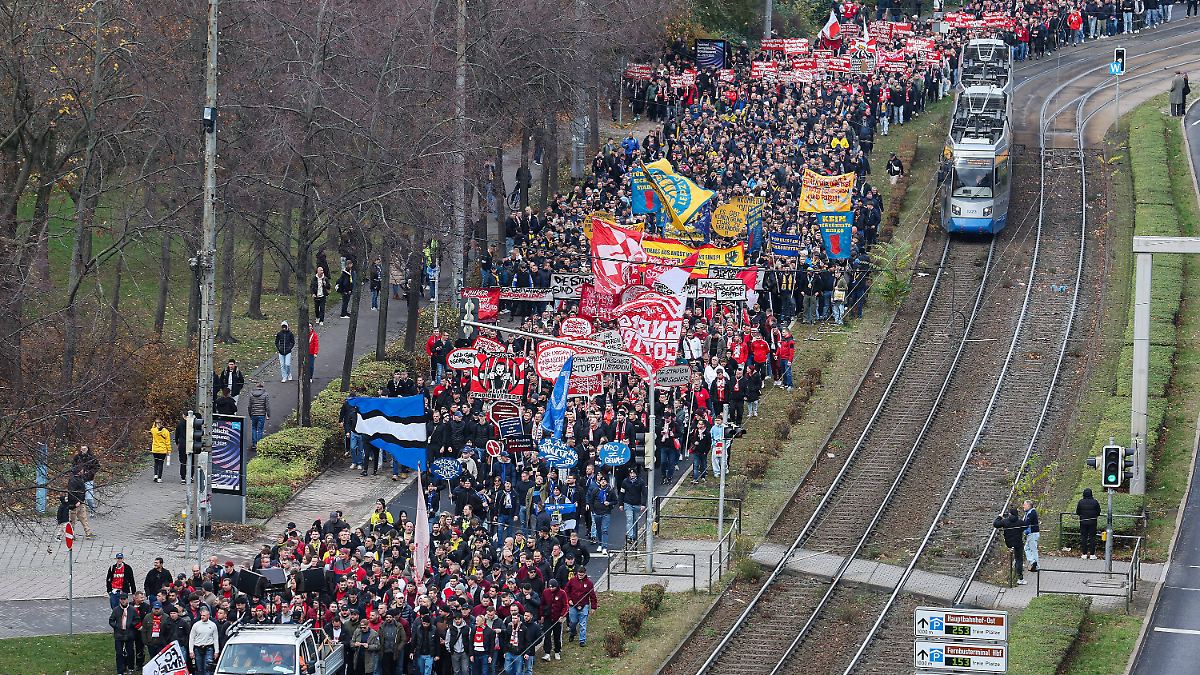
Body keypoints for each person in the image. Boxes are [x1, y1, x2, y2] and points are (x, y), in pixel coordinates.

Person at [992, 507, 1027, 585]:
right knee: (1019, 559)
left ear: (1010, 514)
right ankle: (1020, 578)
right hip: (1018, 543)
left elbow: (995, 524)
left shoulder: (1005, 521)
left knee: (1015, 558)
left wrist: (999, 517)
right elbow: (1026, 526)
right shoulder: (1020, 522)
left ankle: (1014, 572)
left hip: (1009, 543)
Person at [565, 568, 597, 647]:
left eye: (582, 575)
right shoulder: (572, 581)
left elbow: (592, 595)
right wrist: (569, 600)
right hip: (573, 605)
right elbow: (566, 591)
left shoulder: (589, 583)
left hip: (584, 605)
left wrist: (593, 607)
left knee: (583, 623)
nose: (580, 576)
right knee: (573, 622)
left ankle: (582, 640)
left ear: (585, 574)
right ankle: (573, 632)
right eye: (579, 575)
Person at [110, 592, 137, 675]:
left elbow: (137, 619)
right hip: (119, 634)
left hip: (129, 634)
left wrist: (131, 624)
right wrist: (116, 626)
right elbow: (111, 620)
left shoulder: (132, 609)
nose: (123, 601)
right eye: (121, 599)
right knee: (119, 653)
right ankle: (120, 670)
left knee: (130, 652)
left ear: (127, 599)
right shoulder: (116, 610)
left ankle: (131, 667)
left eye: (124, 599)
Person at [619, 468, 646, 546]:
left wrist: (643, 504)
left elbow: (644, 493)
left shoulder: (641, 482)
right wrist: (621, 504)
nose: (632, 475)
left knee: (635, 520)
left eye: (634, 473)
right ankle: (630, 536)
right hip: (628, 503)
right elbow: (622, 493)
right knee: (629, 519)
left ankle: (634, 536)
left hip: (637, 504)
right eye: (631, 474)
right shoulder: (625, 482)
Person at [189, 606, 220, 675]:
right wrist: (191, 651)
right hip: (197, 648)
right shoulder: (196, 625)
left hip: (208, 648)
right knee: (199, 669)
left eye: (204, 615)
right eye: (201, 615)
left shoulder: (213, 625)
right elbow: (191, 638)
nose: (202, 617)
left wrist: (216, 651)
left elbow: (215, 639)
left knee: (208, 668)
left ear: (208, 615)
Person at [72, 444, 100, 514]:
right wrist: (77, 472)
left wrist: (89, 473)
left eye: (85, 448)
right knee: (78, 497)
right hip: (78, 480)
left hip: (88, 480)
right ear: (80, 449)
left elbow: (97, 467)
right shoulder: (77, 457)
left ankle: (92, 510)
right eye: (82, 448)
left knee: (89, 498)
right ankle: (79, 512)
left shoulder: (92, 457)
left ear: (88, 449)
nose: (83, 450)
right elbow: (73, 467)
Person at [1076, 488, 1102, 559]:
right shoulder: (1095, 502)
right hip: (1093, 522)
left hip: (1083, 522)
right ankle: (1092, 554)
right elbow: (1098, 512)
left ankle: (1084, 554)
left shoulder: (1081, 502)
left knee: (1083, 537)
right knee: (1092, 538)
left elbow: (1078, 512)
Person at [246, 381, 271, 450]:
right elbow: (267, 406)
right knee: (260, 430)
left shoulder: (251, 394)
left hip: (254, 414)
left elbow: (249, 406)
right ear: (262, 387)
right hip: (262, 414)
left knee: (254, 428)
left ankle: (254, 444)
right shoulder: (265, 394)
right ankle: (259, 443)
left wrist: (250, 414)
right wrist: (268, 414)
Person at [149, 418, 171, 483]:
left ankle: (155, 475)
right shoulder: (166, 432)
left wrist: (155, 424)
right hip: (162, 450)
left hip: (155, 449)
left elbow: (152, 428)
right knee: (161, 464)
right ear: (162, 423)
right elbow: (168, 442)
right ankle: (159, 478)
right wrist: (169, 450)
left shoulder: (153, 430)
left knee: (156, 462)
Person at [1023, 499, 1041, 573]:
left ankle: (1035, 564)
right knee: (1027, 548)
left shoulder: (1031, 513)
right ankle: (1033, 562)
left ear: (1028, 505)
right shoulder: (1030, 512)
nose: (1023, 506)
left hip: (1032, 534)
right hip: (1033, 534)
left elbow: (1027, 523)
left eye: (1024, 504)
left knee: (1032, 550)